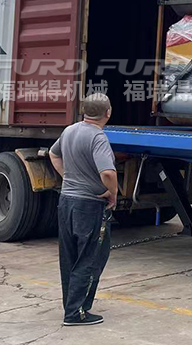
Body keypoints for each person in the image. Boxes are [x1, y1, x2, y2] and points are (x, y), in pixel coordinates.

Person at [49, 93, 118, 327]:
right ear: (108, 112)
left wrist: (67, 177)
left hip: (67, 201)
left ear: (84, 111)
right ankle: (76, 313)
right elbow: (107, 172)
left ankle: (70, 306)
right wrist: (112, 193)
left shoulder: (70, 131)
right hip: (88, 205)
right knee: (90, 258)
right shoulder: (98, 137)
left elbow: (53, 154)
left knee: (69, 257)